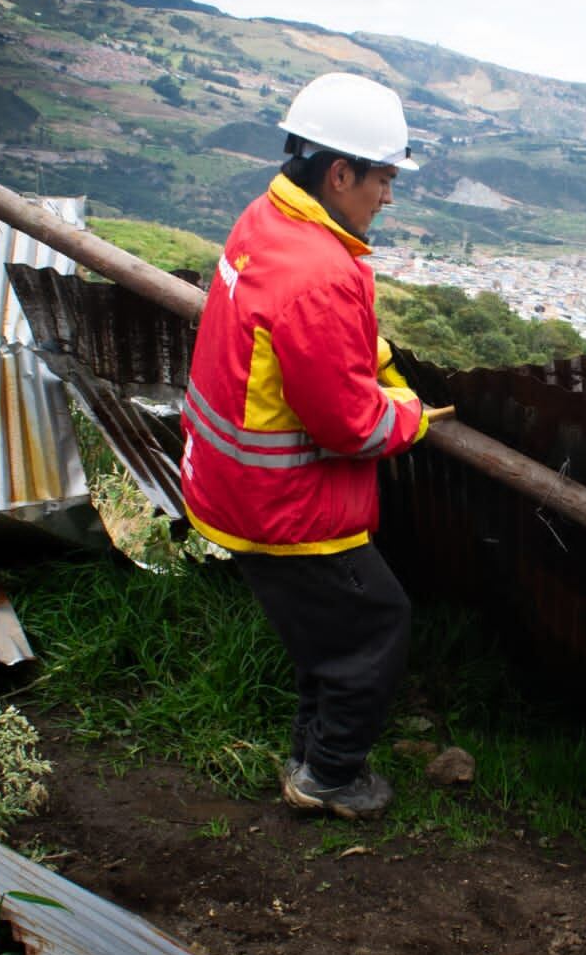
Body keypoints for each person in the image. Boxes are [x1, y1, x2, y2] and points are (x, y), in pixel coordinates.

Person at [180, 72, 429, 819]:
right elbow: (351, 425)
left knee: (328, 633)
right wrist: (412, 414)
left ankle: (308, 755)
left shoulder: (269, 219)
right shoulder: (319, 272)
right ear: (339, 171)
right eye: (382, 178)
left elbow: (313, 350)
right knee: (375, 627)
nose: (387, 196)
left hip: (230, 485)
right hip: (285, 508)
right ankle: (330, 777)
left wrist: (372, 360)